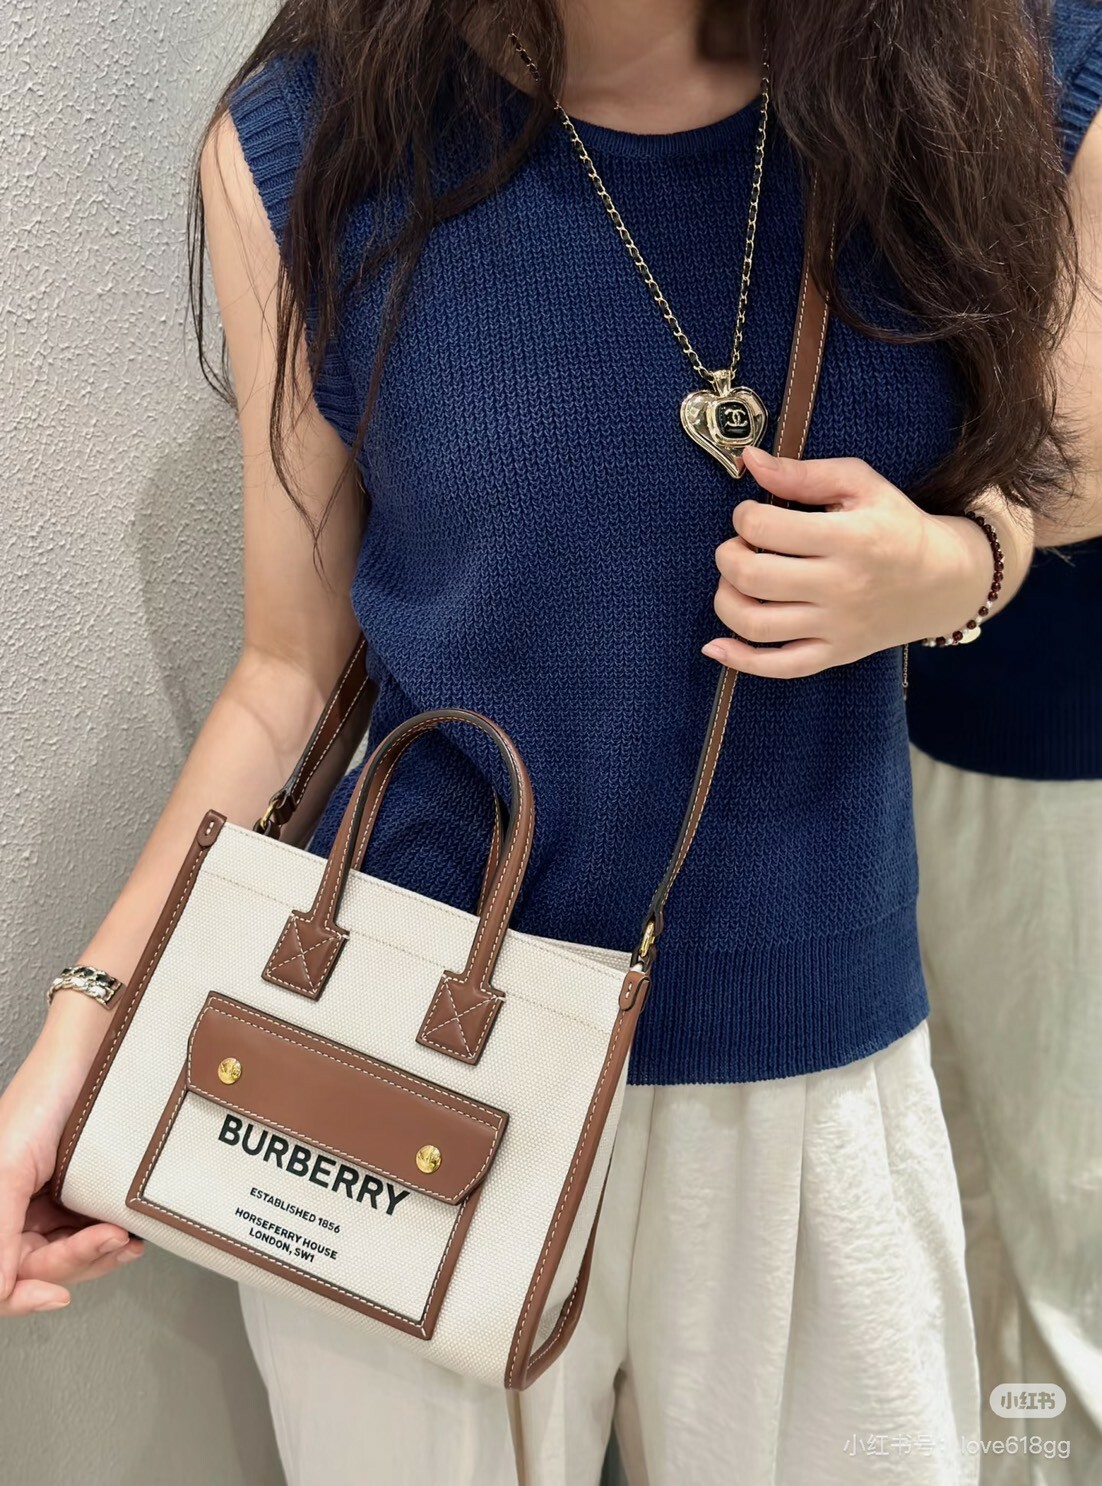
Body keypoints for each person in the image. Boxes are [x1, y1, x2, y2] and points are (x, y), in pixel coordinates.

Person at [0, 2, 1090, 1482]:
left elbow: (1052, 461)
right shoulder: (319, 140)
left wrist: (960, 567)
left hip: (809, 1055)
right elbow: (287, 674)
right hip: (395, 1073)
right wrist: (83, 1025)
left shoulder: (947, 77)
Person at [906, 4, 1102, 1480]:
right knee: (954, 1192)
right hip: (884, 727)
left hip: (1041, 726)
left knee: (1053, 1215)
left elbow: (1072, 453)